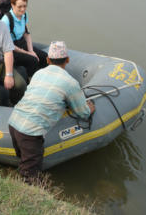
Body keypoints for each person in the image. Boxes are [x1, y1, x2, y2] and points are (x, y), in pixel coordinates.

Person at [8, 41, 95, 183]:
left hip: (13, 123)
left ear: (47, 60)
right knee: (30, 173)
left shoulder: (38, 74)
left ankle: (21, 175)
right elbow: (83, 112)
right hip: (30, 132)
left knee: (24, 159)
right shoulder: (70, 82)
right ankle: (29, 192)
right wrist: (89, 108)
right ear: (67, 60)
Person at [0, 0, 47, 81]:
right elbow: (8, 45)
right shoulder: (6, 20)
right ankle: (30, 82)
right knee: (32, 60)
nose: (23, 9)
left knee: (44, 57)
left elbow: (27, 34)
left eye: (25, 6)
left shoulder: (24, 15)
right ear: (13, 5)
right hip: (11, 49)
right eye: (19, 7)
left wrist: (31, 50)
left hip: (21, 43)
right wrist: (28, 53)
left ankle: (43, 78)